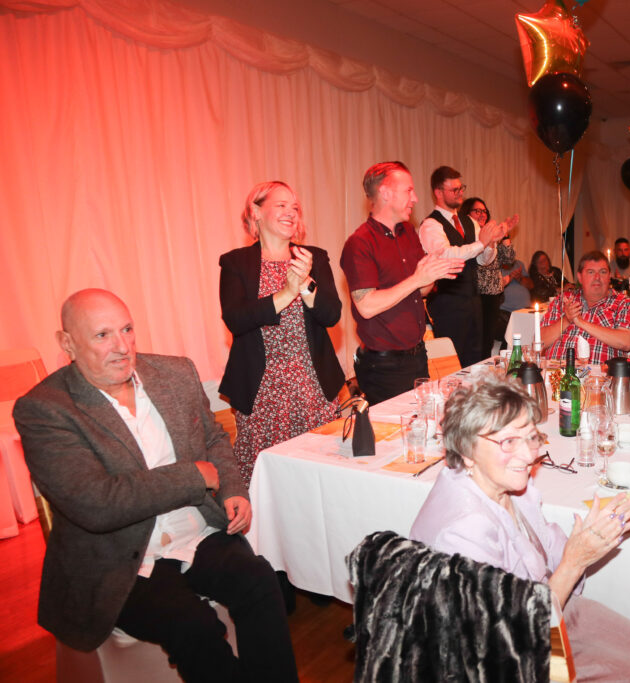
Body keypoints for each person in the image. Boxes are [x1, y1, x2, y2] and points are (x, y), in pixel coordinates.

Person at [13, 289, 297, 682]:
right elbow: (97, 503)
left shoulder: (174, 373)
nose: (122, 346)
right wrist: (194, 477)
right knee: (193, 625)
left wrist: (233, 487)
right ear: (67, 344)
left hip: (193, 532)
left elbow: (214, 439)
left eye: (127, 329)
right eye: (103, 335)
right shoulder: (46, 409)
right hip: (120, 557)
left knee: (263, 584)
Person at [409, 376, 630, 681]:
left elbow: (550, 552)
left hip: (546, 612)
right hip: (501, 659)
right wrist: (574, 562)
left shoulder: (509, 488)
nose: (529, 456)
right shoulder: (462, 531)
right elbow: (507, 643)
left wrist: (589, 541)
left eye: (532, 437)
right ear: (467, 449)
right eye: (508, 441)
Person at [218, 180, 345, 487]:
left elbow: (331, 314)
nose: (291, 212)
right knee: (271, 484)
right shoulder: (236, 262)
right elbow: (236, 319)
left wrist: (304, 285)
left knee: (319, 477)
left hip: (312, 386)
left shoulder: (313, 257)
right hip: (263, 392)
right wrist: (287, 293)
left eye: (295, 207)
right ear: (256, 212)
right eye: (281, 205)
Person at [340, 161, 464, 405]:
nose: (415, 198)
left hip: (417, 355)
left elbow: (421, 290)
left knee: (422, 430)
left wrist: (432, 274)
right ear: (385, 193)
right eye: (409, 190)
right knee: (393, 439)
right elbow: (366, 305)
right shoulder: (360, 243)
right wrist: (418, 278)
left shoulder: (407, 232)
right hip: (384, 367)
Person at [419, 166, 514, 366]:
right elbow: (447, 255)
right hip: (447, 305)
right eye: (454, 189)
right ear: (438, 192)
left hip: (473, 301)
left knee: (477, 361)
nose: (460, 193)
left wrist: (491, 243)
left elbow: (483, 260)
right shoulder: (430, 225)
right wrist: (481, 243)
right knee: (452, 365)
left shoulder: (469, 221)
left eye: (461, 188)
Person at [540, 251, 630, 363]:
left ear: (609, 276)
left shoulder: (623, 303)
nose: (597, 277)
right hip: (555, 374)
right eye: (591, 272)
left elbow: (626, 342)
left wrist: (581, 322)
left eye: (603, 272)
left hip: (600, 376)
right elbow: (540, 341)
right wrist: (567, 319)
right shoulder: (563, 300)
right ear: (580, 277)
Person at [464, 198, 516, 360]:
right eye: (477, 211)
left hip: (494, 295)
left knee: (488, 339)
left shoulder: (493, 234)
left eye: (484, 211)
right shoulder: (469, 235)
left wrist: (505, 233)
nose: (481, 214)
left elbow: (508, 258)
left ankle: (486, 373)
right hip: (477, 295)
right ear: (467, 213)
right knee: (478, 341)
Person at [497, 242, 534, 348]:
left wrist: (520, 278)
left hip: (526, 309)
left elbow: (531, 285)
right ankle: (507, 355)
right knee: (512, 330)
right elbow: (494, 289)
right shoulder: (495, 266)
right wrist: (509, 279)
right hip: (506, 312)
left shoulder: (519, 264)